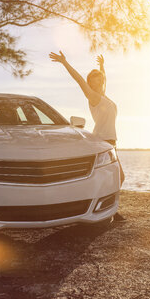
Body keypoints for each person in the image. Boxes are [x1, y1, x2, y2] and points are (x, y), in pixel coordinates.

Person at [49, 51, 126, 222]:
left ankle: (107, 209)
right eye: (93, 79)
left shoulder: (104, 96)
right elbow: (79, 80)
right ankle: (104, 210)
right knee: (118, 177)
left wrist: (102, 66)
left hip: (111, 142)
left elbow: (104, 79)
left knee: (117, 177)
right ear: (90, 82)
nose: (96, 80)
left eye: (98, 78)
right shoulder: (94, 97)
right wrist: (64, 62)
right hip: (102, 141)